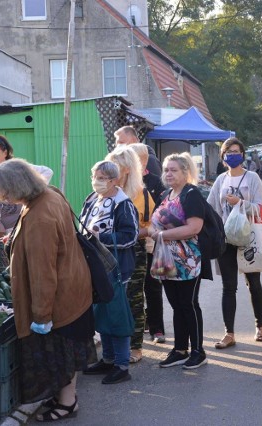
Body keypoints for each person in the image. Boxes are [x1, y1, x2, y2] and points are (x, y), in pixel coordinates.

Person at [0, 159, 95, 422]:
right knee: (68, 352)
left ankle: (68, 403)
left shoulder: (38, 218)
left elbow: (42, 274)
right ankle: (66, 398)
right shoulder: (50, 194)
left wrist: (42, 316)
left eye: (4, 193)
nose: (4, 199)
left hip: (60, 299)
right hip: (74, 288)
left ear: (17, 187)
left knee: (61, 354)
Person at [148, 152, 209, 369]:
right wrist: (156, 232)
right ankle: (180, 349)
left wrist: (161, 235)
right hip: (166, 258)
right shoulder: (166, 194)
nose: (169, 173)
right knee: (176, 305)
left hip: (188, 259)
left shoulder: (191, 194)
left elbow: (194, 228)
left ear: (185, 172)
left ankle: (198, 351)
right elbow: (153, 222)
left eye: (174, 170)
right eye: (166, 169)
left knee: (189, 305)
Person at [80, 161, 139, 384]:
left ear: (114, 180)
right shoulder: (91, 199)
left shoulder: (123, 204)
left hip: (116, 270)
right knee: (102, 314)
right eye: (94, 176)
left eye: (102, 177)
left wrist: (101, 238)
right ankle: (108, 359)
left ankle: (122, 364)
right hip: (94, 268)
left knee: (116, 316)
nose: (97, 181)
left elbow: (131, 236)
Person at [207, 137, 262, 349]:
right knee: (228, 286)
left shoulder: (253, 178)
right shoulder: (221, 180)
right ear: (224, 157)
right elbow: (211, 208)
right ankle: (229, 333)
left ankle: (260, 326)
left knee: (254, 283)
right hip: (226, 238)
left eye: (236, 151)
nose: (233, 154)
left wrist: (240, 203)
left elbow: (260, 208)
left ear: (242, 154)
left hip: (248, 237)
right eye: (229, 151)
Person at [105, 146, 154, 364]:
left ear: (126, 169)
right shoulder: (105, 192)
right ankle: (113, 347)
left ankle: (135, 346)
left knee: (133, 298)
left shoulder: (140, 193)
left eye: (115, 165)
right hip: (108, 251)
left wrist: (133, 233)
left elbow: (152, 225)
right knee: (111, 297)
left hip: (134, 250)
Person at [129, 143, 166, 343]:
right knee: (134, 288)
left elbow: (161, 210)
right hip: (131, 243)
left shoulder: (154, 182)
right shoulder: (124, 183)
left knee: (152, 286)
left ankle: (157, 328)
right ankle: (139, 325)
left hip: (150, 240)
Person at [0, 135, 53, 231]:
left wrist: (31, 192)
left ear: (5, 152)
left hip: (19, 227)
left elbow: (47, 171)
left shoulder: (17, 169)